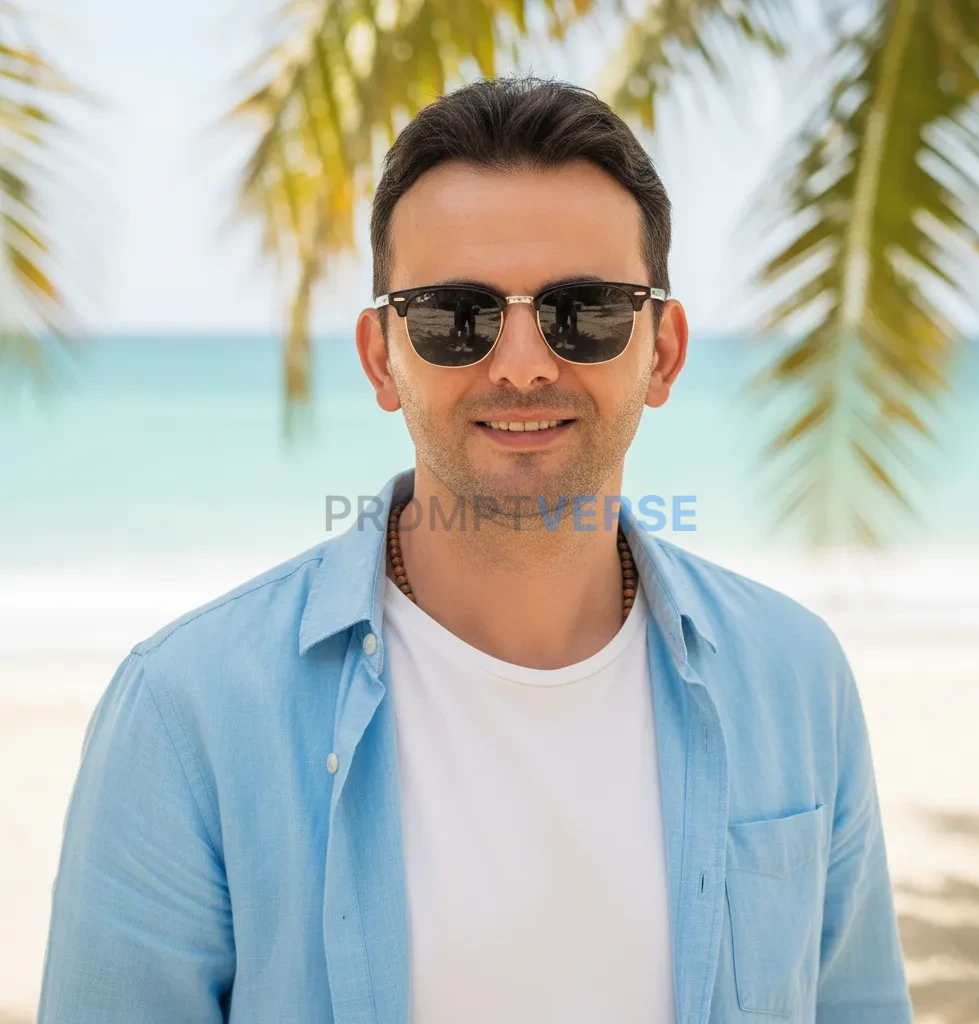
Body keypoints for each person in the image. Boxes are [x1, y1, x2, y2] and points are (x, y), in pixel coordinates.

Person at [38, 75, 913, 1024]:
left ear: (661, 352)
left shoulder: (796, 680)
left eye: (586, 310)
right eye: (457, 315)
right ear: (382, 358)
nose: (525, 362)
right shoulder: (186, 714)